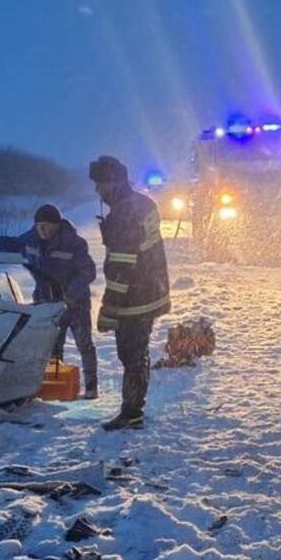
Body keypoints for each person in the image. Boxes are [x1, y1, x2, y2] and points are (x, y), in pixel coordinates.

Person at [0, 205, 100, 398]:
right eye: (39, 225)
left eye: (47, 226)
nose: (43, 230)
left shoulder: (74, 243)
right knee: (49, 345)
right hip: (46, 302)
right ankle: (51, 383)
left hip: (75, 303)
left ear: (57, 225)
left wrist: (71, 292)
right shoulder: (31, 239)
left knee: (83, 343)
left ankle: (91, 386)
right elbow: (12, 244)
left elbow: (88, 272)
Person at [89, 155, 170, 430]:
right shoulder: (141, 204)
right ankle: (133, 408)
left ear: (112, 182)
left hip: (135, 296)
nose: (96, 190)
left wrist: (109, 310)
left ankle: (132, 412)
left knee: (131, 354)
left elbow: (121, 267)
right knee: (138, 352)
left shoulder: (124, 213)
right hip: (150, 289)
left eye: (99, 183)